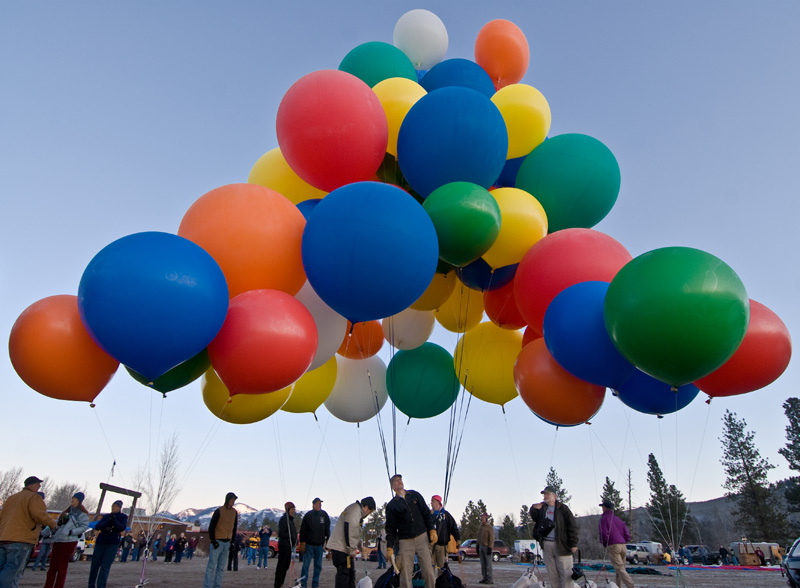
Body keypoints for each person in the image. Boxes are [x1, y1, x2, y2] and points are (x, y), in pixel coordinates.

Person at [0, 475, 56, 588]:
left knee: (2, 569)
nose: (39, 486)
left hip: (3, 538)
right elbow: (39, 514)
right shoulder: (34, 497)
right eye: (38, 484)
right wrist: (53, 524)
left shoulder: (11, 498)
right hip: (20, 539)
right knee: (12, 571)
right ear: (32, 485)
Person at [385, 474, 436, 588]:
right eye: (396, 481)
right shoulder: (392, 505)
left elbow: (426, 513)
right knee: (405, 574)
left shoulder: (414, 495)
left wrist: (432, 530)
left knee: (428, 571)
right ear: (393, 487)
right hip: (405, 541)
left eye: (400, 479)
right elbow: (390, 528)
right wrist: (389, 547)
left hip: (422, 537)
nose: (399, 482)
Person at [530, 485, 578, 588]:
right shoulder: (542, 508)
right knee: (552, 574)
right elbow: (535, 518)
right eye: (544, 494)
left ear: (554, 496)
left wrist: (573, 543)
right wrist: (533, 508)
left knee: (566, 573)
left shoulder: (563, 508)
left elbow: (572, 526)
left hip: (562, 545)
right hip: (547, 544)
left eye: (547, 494)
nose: (545, 496)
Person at [327, 497, 376, 588]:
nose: (368, 514)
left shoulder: (357, 513)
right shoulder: (354, 511)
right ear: (366, 507)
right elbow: (350, 530)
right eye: (370, 511)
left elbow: (355, 533)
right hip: (341, 549)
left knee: (350, 574)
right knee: (344, 576)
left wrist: (359, 546)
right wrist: (352, 550)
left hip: (345, 549)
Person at [44, 491, 90, 588]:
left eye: (75, 499)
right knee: (52, 567)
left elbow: (84, 527)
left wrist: (72, 532)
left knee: (62, 567)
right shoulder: (65, 512)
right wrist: (58, 524)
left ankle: (58, 586)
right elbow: (56, 523)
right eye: (73, 498)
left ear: (80, 501)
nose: (73, 500)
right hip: (58, 540)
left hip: (69, 541)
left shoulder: (82, 514)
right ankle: (48, 586)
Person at [88, 499, 128, 588]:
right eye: (112, 506)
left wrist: (114, 521)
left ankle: (101, 585)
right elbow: (98, 526)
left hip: (112, 542)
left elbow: (122, 527)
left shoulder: (123, 517)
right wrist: (108, 522)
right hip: (101, 541)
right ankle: (91, 584)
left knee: (105, 566)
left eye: (115, 506)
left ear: (119, 508)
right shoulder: (106, 516)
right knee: (95, 565)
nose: (113, 508)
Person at [203, 492, 239, 588]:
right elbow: (211, 527)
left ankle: (217, 585)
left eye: (234, 500)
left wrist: (232, 542)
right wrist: (213, 540)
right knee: (211, 566)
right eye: (232, 499)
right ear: (227, 499)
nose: (233, 502)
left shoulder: (234, 513)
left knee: (221, 567)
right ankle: (207, 586)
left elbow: (234, 528)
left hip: (227, 542)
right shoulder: (219, 511)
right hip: (218, 542)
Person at [597, 498, 634, 588]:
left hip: (613, 545)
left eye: (603, 507)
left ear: (605, 508)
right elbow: (627, 534)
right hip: (623, 545)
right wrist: (624, 541)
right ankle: (619, 586)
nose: (602, 508)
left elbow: (604, 533)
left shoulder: (604, 519)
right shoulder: (618, 519)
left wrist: (605, 543)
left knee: (620, 569)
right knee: (620, 569)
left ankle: (632, 586)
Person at [299, 497, 331, 588]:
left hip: (319, 545)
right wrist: (302, 542)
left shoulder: (324, 515)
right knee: (306, 565)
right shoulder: (308, 515)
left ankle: (315, 584)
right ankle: (303, 584)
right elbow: (303, 529)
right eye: (317, 503)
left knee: (318, 566)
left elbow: (327, 528)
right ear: (313, 505)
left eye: (320, 503)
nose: (319, 505)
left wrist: (328, 540)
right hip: (309, 544)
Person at [430, 495, 460, 575]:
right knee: (429, 568)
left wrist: (457, 539)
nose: (431, 503)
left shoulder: (445, 515)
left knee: (442, 568)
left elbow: (453, 527)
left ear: (438, 502)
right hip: (431, 545)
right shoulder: (429, 515)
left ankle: (442, 581)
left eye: (433, 501)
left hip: (442, 546)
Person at [275, 502, 297, 588]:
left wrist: (295, 539)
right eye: (291, 509)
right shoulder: (284, 520)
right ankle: (277, 584)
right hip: (284, 545)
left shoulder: (291, 520)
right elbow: (281, 533)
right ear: (288, 510)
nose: (293, 511)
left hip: (290, 545)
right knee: (281, 565)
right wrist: (290, 536)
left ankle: (281, 583)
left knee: (286, 566)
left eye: (293, 509)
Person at [477, 513, 494, 585]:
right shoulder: (480, 527)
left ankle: (490, 578)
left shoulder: (489, 527)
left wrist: (490, 547)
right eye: (481, 518)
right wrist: (477, 546)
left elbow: (491, 538)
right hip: (481, 546)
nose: (482, 519)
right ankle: (485, 577)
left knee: (488, 563)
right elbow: (478, 537)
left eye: (483, 518)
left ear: (486, 518)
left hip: (487, 546)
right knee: (483, 563)